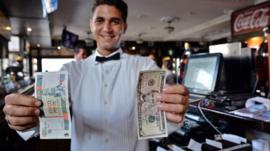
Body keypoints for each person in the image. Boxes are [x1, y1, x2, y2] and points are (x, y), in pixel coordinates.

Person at [3, 0, 189, 151]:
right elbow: (44, 118)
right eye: (100, 20)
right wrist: (24, 119)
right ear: (91, 25)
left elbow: (159, 126)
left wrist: (174, 112)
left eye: (115, 21)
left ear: (124, 26)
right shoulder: (69, 71)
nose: (107, 28)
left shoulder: (146, 66)